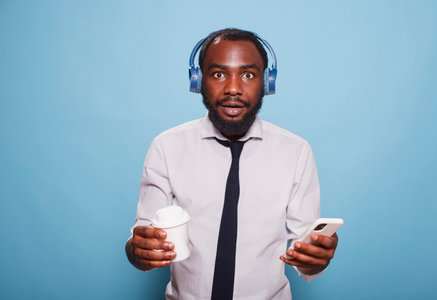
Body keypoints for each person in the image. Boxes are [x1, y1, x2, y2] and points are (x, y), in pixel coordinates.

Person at [125, 28, 338, 299]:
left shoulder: (296, 151)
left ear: (267, 82)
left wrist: (317, 256)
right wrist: (138, 250)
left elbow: (306, 246)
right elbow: (143, 237)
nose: (233, 88)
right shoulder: (166, 147)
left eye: (248, 74)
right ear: (198, 81)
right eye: (218, 74)